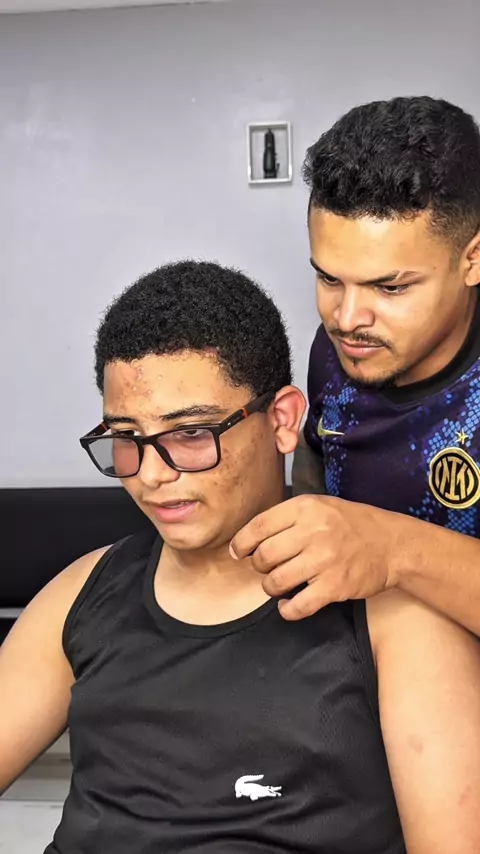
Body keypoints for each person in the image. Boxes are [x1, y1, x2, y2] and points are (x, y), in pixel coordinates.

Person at [1, 260, 479, 853]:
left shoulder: (395, 620)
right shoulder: (83, 594)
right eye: (127, 439)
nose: (151, 475)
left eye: (191, 434)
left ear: (282, 421)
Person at [231, 96, 480, 635]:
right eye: (328, 278)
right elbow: (316, 459)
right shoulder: (339, 346)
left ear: (473, 259)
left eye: (390, 287)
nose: (346, 319)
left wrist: (392, 551)